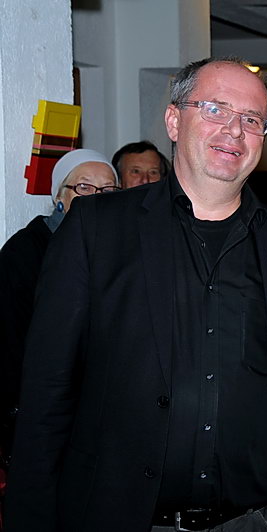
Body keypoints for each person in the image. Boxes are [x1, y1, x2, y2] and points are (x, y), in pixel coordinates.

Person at [5, 57, 267, 532]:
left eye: (251, 119)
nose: (235, 130)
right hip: (125, 518)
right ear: (174, 121)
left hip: (258, 520)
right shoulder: (96, 230)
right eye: (216, 109)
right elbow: (46, 395)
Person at [0, 149, 119, 473]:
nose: (97, 197)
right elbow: (12, 344)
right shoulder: (25, 252)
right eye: (83, 187)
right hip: (44, 416)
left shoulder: (118, 253)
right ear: (59, 196)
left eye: (109, 189)